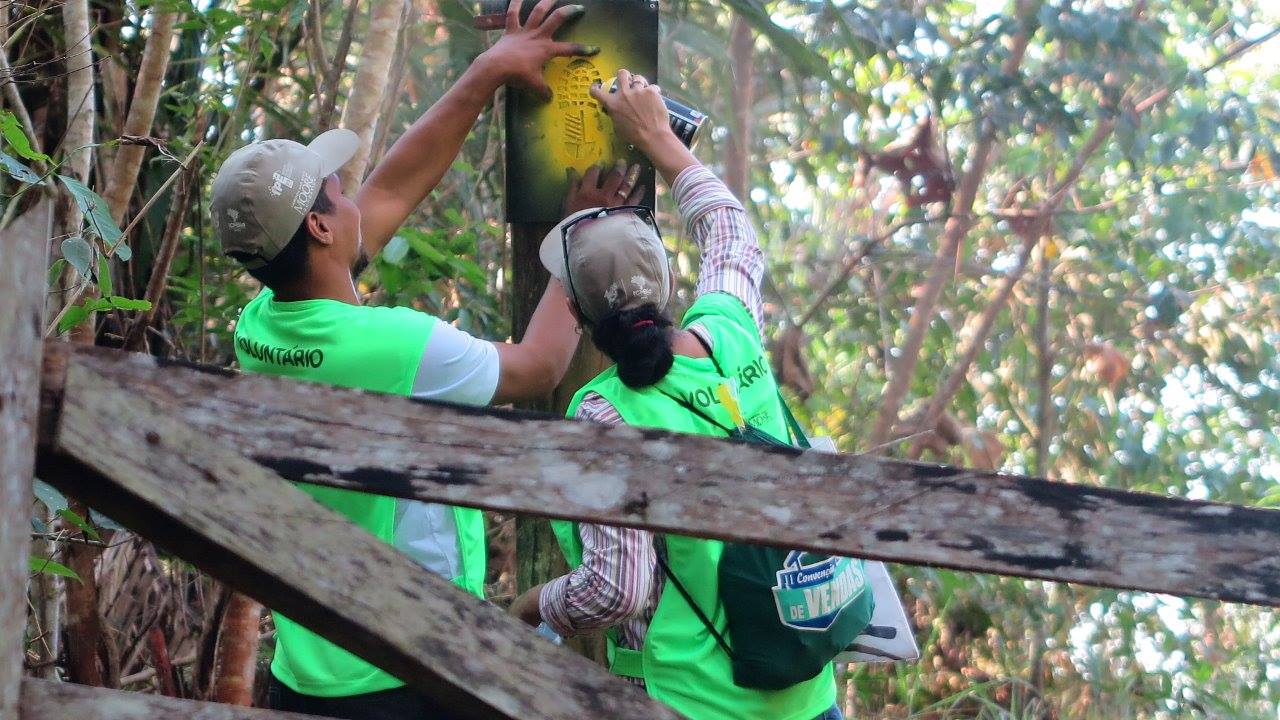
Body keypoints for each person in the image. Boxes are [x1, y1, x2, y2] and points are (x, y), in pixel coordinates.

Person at [210, 2, 640, 717]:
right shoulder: (394, 348)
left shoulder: (261, 321)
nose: (355, 193)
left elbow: (390, 191)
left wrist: (489, 70)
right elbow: (538, 367)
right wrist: (580, 233)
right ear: (319, 225)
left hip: (310, 668)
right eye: (336, 190)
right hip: (408, 667)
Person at [507, 69, 845, 720]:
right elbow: (730, 231)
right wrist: (659, 136)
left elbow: (618, 590)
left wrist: (532, 605)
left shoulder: (607, 414)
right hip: (804, 688)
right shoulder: (731, 332)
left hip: (693, 702)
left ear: (575, 315)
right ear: (665, 280)